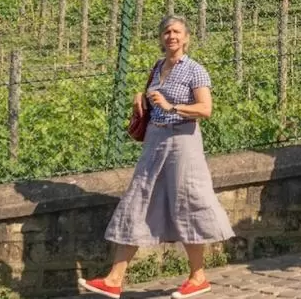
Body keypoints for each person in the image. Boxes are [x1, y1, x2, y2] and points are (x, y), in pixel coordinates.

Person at [78, 15, 234, 299]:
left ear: (186, 38)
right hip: (155, 139)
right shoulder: (158, 67)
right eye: (166, 32)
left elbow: (205, 109)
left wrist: (173, 105)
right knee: (137, 198)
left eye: (176, 32)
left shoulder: (195, 71)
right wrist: (142, 96)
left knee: (187, 201)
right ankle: (114, 279)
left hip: (182, 141)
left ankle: (198, 276)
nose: (171, 36)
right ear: (161, 38)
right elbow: (155, 98)